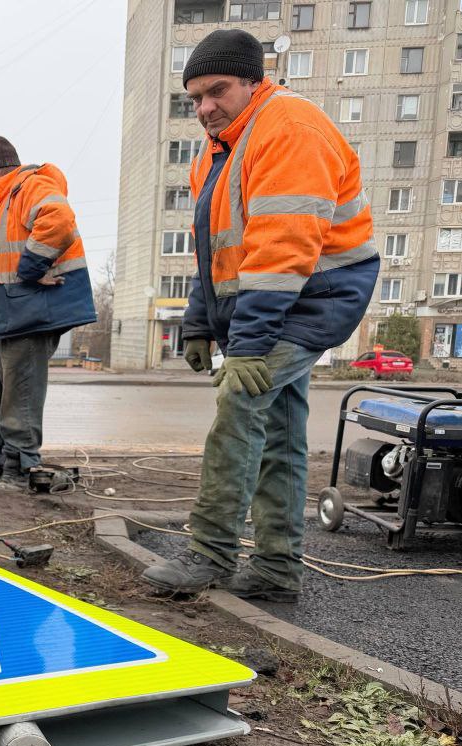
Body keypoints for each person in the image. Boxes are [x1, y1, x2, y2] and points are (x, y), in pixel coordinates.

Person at [141, 30, 378, 601]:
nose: (204, 109)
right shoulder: (219, 150)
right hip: (274, 303)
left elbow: (282, 250)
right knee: (280, 435)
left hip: (311, 300)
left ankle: (211, 551)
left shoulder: (289, 129)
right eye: (194, 98)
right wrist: (199, 322)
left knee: (239, 406)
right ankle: (276, 571)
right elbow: (215, 251)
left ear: (254, 79)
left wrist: (246, 345)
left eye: (216, 91)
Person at [0, 136, 96, 490]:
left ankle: (18, 471)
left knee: (19, 396)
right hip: (2, 317)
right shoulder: (8, 199)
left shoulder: (30, 186)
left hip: (26, 315)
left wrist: (30, 269)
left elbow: (59, 220)